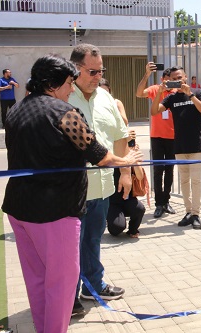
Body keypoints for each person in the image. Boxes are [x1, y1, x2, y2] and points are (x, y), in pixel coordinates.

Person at [1, 54, 143, 333]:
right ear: (53, 84)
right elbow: (99, 155)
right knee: (62, 284)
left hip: (19, 209)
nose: (71, 89)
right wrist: (127, 161)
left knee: (38, 279)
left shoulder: (17, 109)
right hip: (55, 213)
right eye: (68, 83)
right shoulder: (63, 112)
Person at [69, 44, 132, 313]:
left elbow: (120, 137)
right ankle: (67, 297)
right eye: (92, 71)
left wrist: (126, 173)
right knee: (69, 248)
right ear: (75, 69)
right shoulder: (61, 97)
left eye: (101, 70)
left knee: (93, 240)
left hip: (103, 186)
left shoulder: (106, 98)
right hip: (71, 191)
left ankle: (92, 286)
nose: (98, 76)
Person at [151, 66, 201, 229]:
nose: (178, 80)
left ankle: (196, 214)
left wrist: (190, 94)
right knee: (184, 181)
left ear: (185, 77)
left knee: (196, 181)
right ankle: (188, 212)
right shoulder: (170, 98)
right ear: (169, 80)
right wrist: (159, 92)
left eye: (180, 77)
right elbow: (154, 111)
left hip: (196, 146)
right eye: (174, 78)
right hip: (180, 147)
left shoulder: (198, 93)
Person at [100, 78, 146, 238]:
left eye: (106, 93)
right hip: (111, 198)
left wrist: (132, 159)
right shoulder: (103, 148)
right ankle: (110, 216)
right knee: (116, 228)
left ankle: (133, 230)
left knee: (139, 209)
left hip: (126, 196)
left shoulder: (126, 144)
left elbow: (140, 176)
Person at [136, 63, 176, 218]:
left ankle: (166, 201)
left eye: (172, 80)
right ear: (162, 79)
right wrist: (146, 74)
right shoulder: (155, 89)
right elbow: (139, 93)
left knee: (170, 170)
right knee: (158, 170)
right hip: (157, 136)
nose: (168, 83)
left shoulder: (176, 92)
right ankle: (159, 203)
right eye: (167, 80)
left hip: (173, 137)